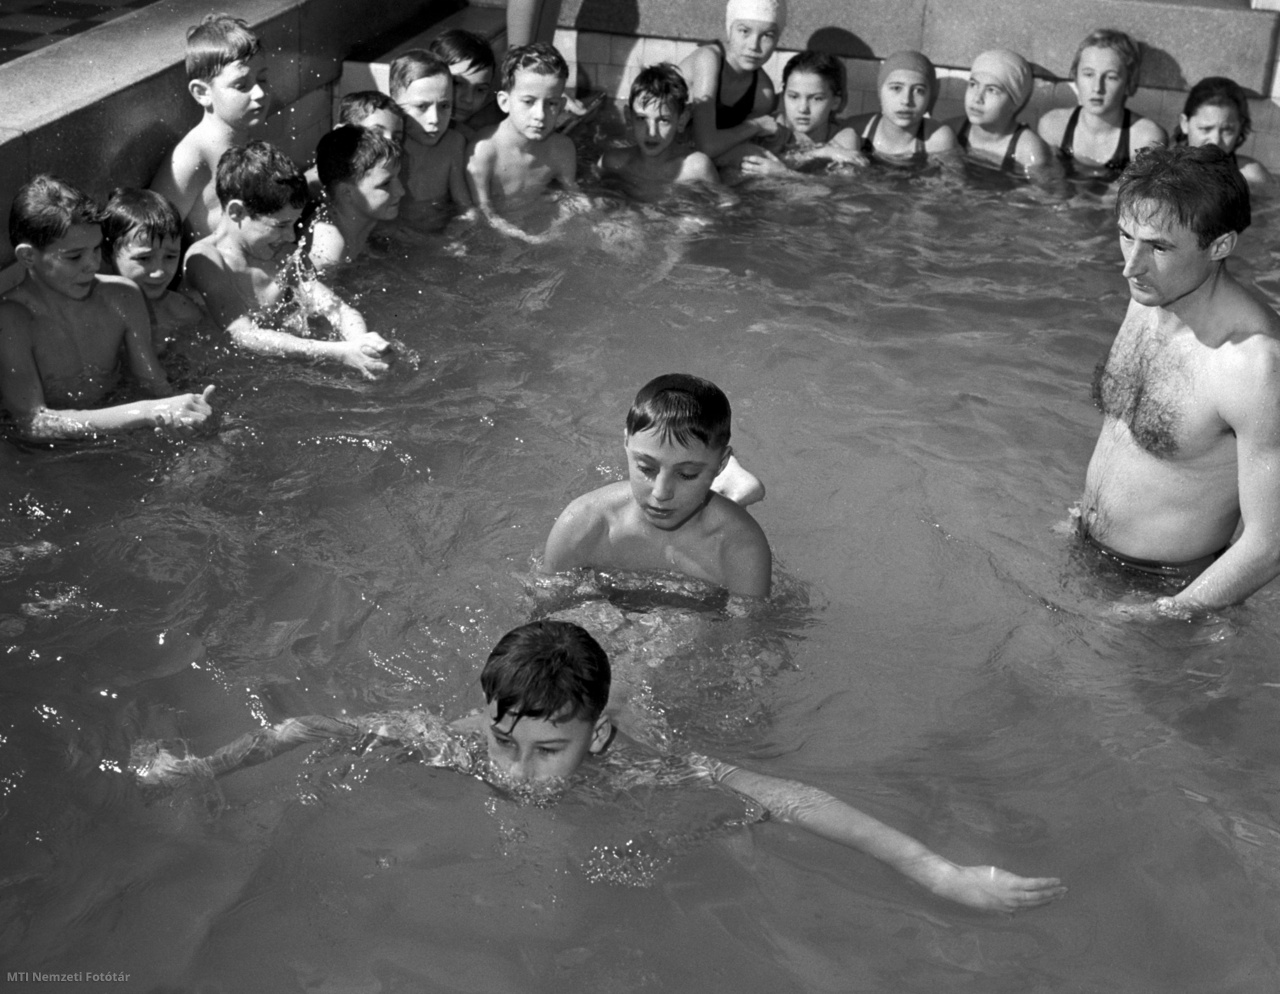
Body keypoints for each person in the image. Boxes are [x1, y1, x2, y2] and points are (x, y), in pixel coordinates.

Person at [133, 619, 1068, 914]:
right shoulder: (464, 742)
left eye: (549, 753)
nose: (520, 773)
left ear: (597, 743)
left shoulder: (636, 766)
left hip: (641, 707)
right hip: (568, 682)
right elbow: (311, 728)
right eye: (508, 743)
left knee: (668, 662)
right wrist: (201, 768)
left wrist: (936, 869)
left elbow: (788, 796)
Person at [1079, 144, 1280, 616]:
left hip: (1169, 592)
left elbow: (1271, 543)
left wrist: (1167, 612)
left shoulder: (1253, 364)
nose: (1131, 265)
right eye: (1127, 236)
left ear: (1220, 245)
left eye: (1159, 247)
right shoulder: (1148, 297)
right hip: (1087, 552)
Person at [0, 176, 214, 441]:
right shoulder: (11, 320)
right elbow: (32, 423)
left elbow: (152, 383)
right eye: (75, 256)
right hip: (44, 455)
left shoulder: (122, 297)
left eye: (96, 250)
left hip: (116, 430)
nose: (92, 264)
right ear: (28, 256)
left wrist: (181, 416)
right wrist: (144, 412)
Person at [542, 374, 771, 599]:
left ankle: (736, 489)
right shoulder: (583, 523)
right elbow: (541, 619)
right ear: (626, 443)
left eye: (686, 474)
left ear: (721, 462)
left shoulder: (740, 546)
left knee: (729, 508)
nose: (661, 493)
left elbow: (747, 633)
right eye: (646, 469)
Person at [183, 142, 390, 379]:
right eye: (281, 225)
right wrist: (338, 352)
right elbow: (242, 336)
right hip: (210, 374)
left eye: (294, 223)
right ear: (237, 213)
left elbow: (337, 308)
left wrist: (360, 343)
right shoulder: (206, 261)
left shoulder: (283, 256)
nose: (292, 236)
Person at [150, 14, 270, 241]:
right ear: (202, 93)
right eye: (241, 85)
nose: (260, 93)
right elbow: (153, 241)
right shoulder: (191, 158)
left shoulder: (247, 139)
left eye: (262, 80)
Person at [466, 42, 580, 243]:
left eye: (551, 103)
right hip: (495, 236)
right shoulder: (485, 151)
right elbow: (482, 211)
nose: (540, 115)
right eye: (528, 102)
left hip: (536, 223)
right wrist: (522, 237)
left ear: (561, 106)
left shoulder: (562, 149)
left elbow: (570, 195)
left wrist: (560, 225)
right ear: (504, 101)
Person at [1036, 29, 1165, 182]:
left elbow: (1126, 198)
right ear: (1075, 77)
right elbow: (1049, 189)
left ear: (1129, 83)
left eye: (1111, 77)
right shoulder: (1053, 126)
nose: (1097, 87)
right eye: (1089, 74)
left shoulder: (1145, 138)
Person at [101, 188, 210, 355]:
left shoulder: (182, 312)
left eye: (170, 256)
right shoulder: (97, 312)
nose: (159, 272)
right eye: (144, 259)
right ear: (108, 254)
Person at [679, 0, 784, 165]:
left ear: (778, 39)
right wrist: (756, 125)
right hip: (654, 150)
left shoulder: (763, 94)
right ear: (729, 30)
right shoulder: (708, 60)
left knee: (755, 156)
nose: (754, 46)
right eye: (744, 31)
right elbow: (705, 147)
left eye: (767, 35)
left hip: (694, 156)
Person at [739, 50, 866, 179]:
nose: (803, 108)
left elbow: (842, 189)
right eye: (793, 96)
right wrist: (819, 153)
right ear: (783, 95)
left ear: (835, 102)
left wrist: (785, 174)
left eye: (817, 99)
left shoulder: (843, 139)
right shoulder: (765, 129)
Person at [599, 64, 719, 192]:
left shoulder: (696, 169)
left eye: (663, 120)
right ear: (629, 118)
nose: (651, 132)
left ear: (681, 121)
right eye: (641, 118)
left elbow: (725, 207)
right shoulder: (613, 164)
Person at [303, 126, 405, 271]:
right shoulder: (329, 245)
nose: (401, 191)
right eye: (386, 184)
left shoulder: (370, 217)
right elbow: (307, 289)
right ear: (347, 193)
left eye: (398, 177)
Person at [389, 49, 471, 209]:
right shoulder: (386, 148)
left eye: (444, 106)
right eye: (422, 106)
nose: (434, 119)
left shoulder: (453, 143)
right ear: (394, 104)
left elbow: (464, 206)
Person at [948, 49, 1051, 176]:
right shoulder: (951, 131)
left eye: (991, 90)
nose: (977, 98)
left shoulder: (1027, 150)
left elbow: (1046, 194)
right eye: (973, 84)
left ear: (1014, 104)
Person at [849, 51, 959, 166]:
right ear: (880, 93)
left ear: (929, 98)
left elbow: (956, 182)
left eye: (919, 90)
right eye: (896, 88)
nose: (906, 100)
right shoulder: (857, 131)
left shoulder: (938, 140)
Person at [1173, 77, 1272, 189]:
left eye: (1227, 130)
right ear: (1184, 124)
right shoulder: (1163, 173)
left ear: (1240, 127)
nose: (1215, 140)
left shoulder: (1250, 177)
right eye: (1206, 129)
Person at [304, 91, 403, 198]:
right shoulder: (312, 184)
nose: (390, 144)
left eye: (397, 139)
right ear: (340, 134)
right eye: (377, 133)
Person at [427, 28, 501, 138]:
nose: (468, 99)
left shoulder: (472, 141)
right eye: (456, 83)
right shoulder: (400, 127)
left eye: (480, 90)